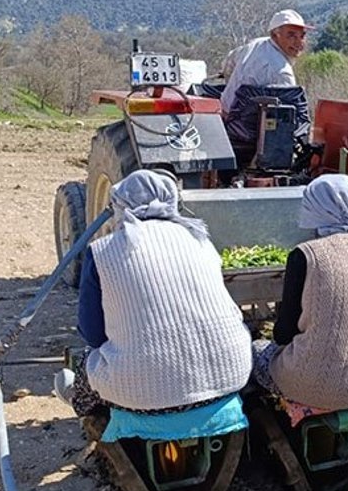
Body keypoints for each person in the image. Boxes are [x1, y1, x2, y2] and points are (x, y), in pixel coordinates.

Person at [70, 170, 252, 419]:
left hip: (143, 396)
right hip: (231, 377)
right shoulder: (201, 240)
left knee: (85, 365)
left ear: (120, 205)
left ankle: (94, 420)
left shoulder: (101, 251)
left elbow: (92, 334)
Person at [251, 174, 348, 417]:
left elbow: (283, 334)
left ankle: (280, 410)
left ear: (315, 208)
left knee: (257, 351)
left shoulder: (306, 255)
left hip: (309, 382)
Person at [219, 9, 310, 114]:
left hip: (223, 114)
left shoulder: (254, 44)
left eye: (302, 36)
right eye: (291, 35)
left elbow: (228, 62)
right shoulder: (282, 72)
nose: (299, 43)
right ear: (275, 35)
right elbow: (289, 113)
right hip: (251, 123)